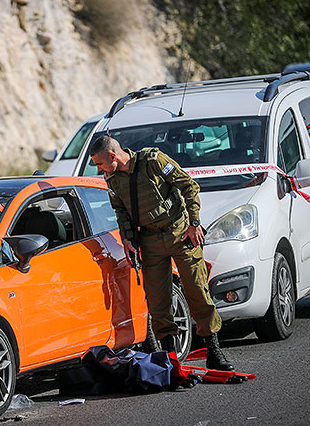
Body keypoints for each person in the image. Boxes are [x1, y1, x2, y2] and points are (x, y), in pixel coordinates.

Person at [90, 135, 233, 371]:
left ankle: (214, 351)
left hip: (180, 233)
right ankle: (171, 361)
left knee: (197, 291)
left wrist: (194, 223)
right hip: (150, 241)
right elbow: (120, 211)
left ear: (113, 156)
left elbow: (188, 185)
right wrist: (127, 239)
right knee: (158, 302)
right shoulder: (112, 179)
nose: (99, 168)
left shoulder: (153, 161)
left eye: (100, 163)